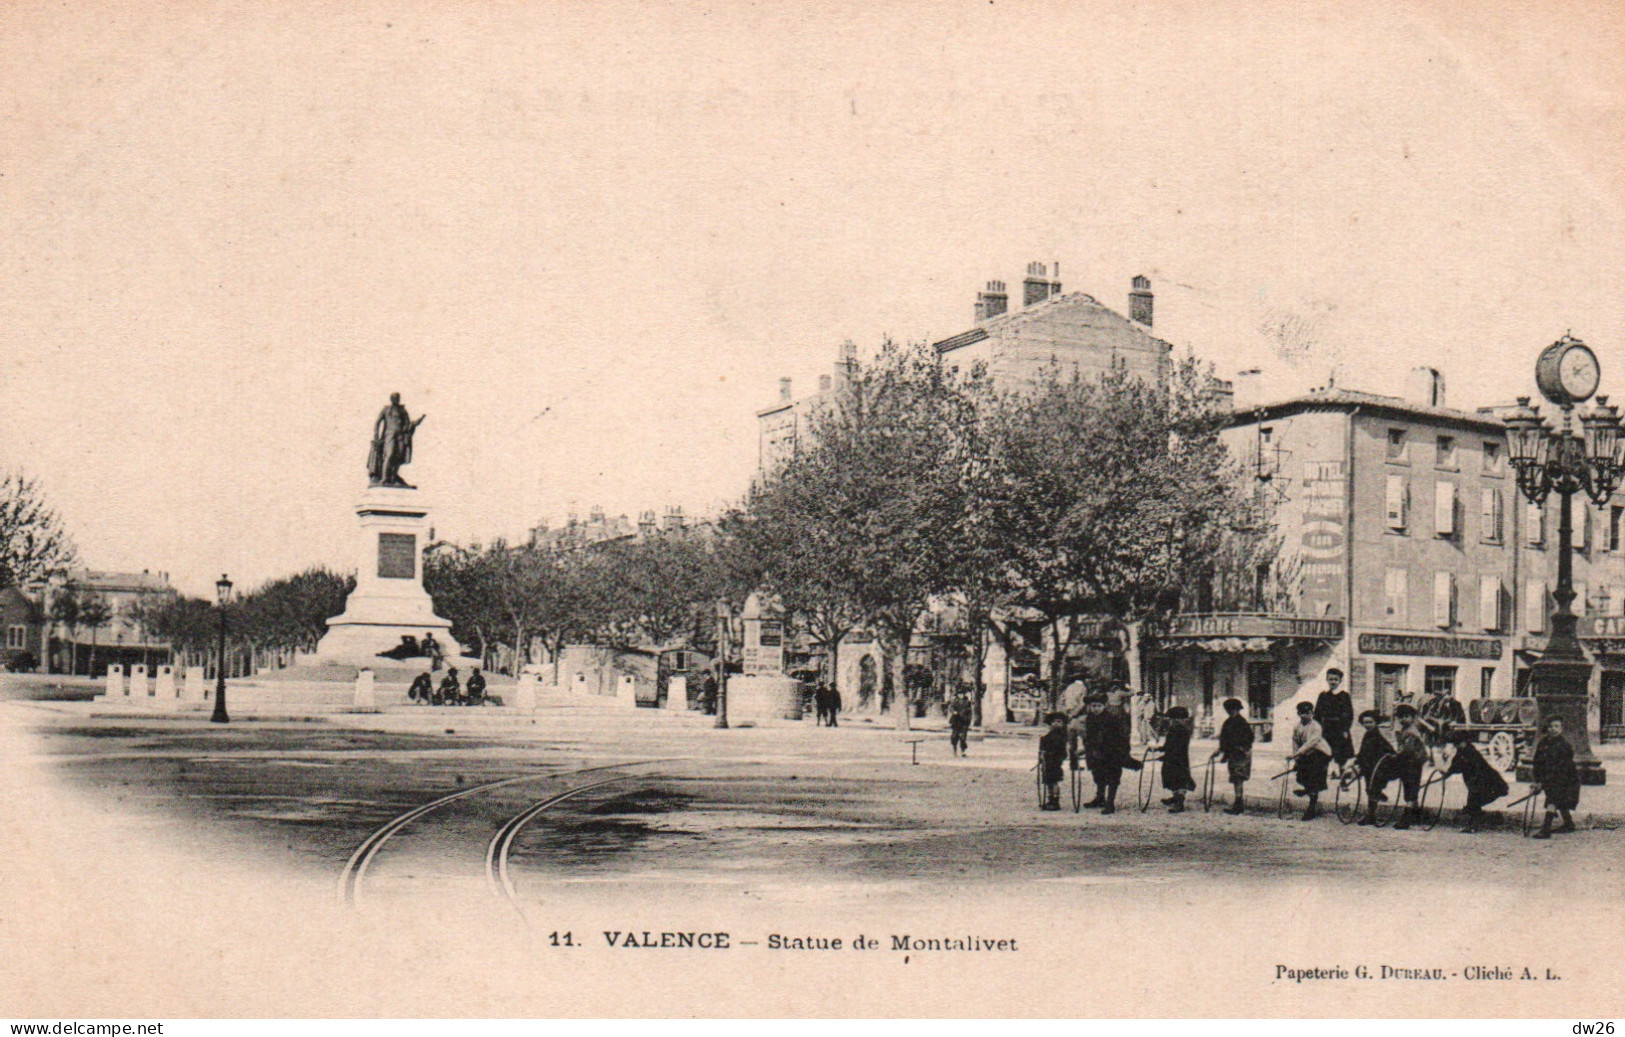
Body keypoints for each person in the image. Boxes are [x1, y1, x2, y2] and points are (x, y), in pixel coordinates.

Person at [1371, 704, 1429, 829]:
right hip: (1407, 761)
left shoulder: (1411, 732)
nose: (1403, 719)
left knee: (1410, 788)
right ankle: (1415, 815)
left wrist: (1395, 755)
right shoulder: (1405, 729)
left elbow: (1407, 750)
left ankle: (1407, 819)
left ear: (1413, 717)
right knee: (1409, 786)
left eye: (1406, 716)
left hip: (1414, 762)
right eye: (1401, 717)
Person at [1443, 731, 1508, 834]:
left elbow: (1461, 765)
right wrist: (1447, 773)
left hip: (1485, 782)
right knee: (1473, 803)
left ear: (1464, 742)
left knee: (1473, 802)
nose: (1457, 746)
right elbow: (1456, 764)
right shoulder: (1463, 751)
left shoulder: (1470, 752)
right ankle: (1476, 819)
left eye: (1458, 743)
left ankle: (1473, 825)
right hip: (1477, 782)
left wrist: (1449, 772)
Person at [1531, 715, 1581, 839]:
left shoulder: (1564, 746)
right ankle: (1569, 824)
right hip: (1550, 778)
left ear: (1561, 729)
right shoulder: (1543, 743)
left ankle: (1546, 829)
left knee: (1553, 799)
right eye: (1550, 726)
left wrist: (1544, 782)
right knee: (1559, 800)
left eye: (1556, 726)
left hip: (1566, 778)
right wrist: (1537, 781)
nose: (1553, 729)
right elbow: (1537, 763)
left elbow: (1560, 768)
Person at [1084, 695, 1134, 814]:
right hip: (1097, 752)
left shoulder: (1112, 718)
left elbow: (1122, 736)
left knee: (1113, 777)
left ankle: (1110, 803)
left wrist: (1122, 752)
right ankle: (1100, 798)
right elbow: (1089, 736)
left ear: (1104, 706)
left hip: (1113, 751)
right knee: (1098, 775)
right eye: (1093, 706)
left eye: (1098, 706)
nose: (1095, 708)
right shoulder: (1090, 718)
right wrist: (1089, 747)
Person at [367, 392, 426, 488]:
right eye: (395, 398)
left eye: (398, 398)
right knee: (389, 455)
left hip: (401, 436)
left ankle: (393, 478)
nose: (397, 399)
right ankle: (384, 479)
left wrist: (417, 421)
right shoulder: (386, 409)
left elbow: (407, 424)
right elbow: (377, 422)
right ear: (391, 399)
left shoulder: (402, 410)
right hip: (389, 435)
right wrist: (376, 435)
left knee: (398, 458)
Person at [1287, 701, 1332, 820]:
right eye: (1301, 713)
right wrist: (1296, 756)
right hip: (1306, 753)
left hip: (1320, 753)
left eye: (1307, 713)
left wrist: (1299, 753)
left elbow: (1311, 743)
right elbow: (1295, 741)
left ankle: (1312, 807)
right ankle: (1307, 789)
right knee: (1301, 775)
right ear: (1298, 714)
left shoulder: (1316, 726)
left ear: (1312, 713)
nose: (1304, 715)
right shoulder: (1297, 726)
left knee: (1314, 778)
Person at [1350, 710, 1396, 826]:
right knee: (1369, 789)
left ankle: (1371, 815)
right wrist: (1357, 759)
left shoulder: (1378, 736)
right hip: (1368, 768)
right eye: (1365, 723)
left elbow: (1390, 750)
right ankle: (1373, 809)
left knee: (1372, 790)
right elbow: (1363, 751)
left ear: (1376, 723)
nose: (1367, 725)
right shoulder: (1367, 735)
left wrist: (1389, 756)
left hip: (1378, 768)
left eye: (1370, 722)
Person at [1210, 697, 1254, 815]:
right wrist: (1220, 751)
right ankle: (1238, 803)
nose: (1230, 711)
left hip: (1241, 755)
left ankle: (1238, 804)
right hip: (1233, 754)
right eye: (1228, 710)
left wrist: (1241, 748)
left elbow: (1249, 739)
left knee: (1238, 778)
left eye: (1233, 709)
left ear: (1237, 709)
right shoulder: (1228, 722)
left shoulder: (1242, 723)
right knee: (1235, 778)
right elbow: (1225, 739)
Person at [1313, 667, 1355, 772]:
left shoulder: (1344, 696)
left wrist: (1345, 729)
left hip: (1339, 729)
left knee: (1341, 756)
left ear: (1340, 681)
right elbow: (1317, 714)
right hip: (1325, 729)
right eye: (1331, 679)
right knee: (1323, 754)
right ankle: (1321, 781)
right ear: (1327, 680)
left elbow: (1349, 714)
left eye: (1336, 679)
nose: (1333, 682)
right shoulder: (1323, 696)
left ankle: (1343, 780)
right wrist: (1316, 729)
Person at [1159, 705, 1196, 812]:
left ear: (1177, 719)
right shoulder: (1175, 729)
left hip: (1178, 759)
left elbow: (1177, 747)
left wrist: (1166, 755)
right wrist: (1162, 749)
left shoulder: (1180, 730)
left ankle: (1179, 803)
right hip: (1173, 759)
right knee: (1171, 778)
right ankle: (1175, 798)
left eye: (1172, 719)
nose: (1170, 721)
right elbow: (1169, 744)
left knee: (1180, 779)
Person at [1038, 711, 1069, 811]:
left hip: (1055, 761)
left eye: (1059, 721)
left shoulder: (1063, 736)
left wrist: (1059, 756)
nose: (1056, 723)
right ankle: (1050, 799)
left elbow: (1064, 751)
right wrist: (1042, 754)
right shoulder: (1047, 735)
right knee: (1048, 781)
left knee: (1054, 781)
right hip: (1047, 761)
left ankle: (1055, 801)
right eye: (1054, 722)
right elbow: (1043, 746)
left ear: (1063, 723)